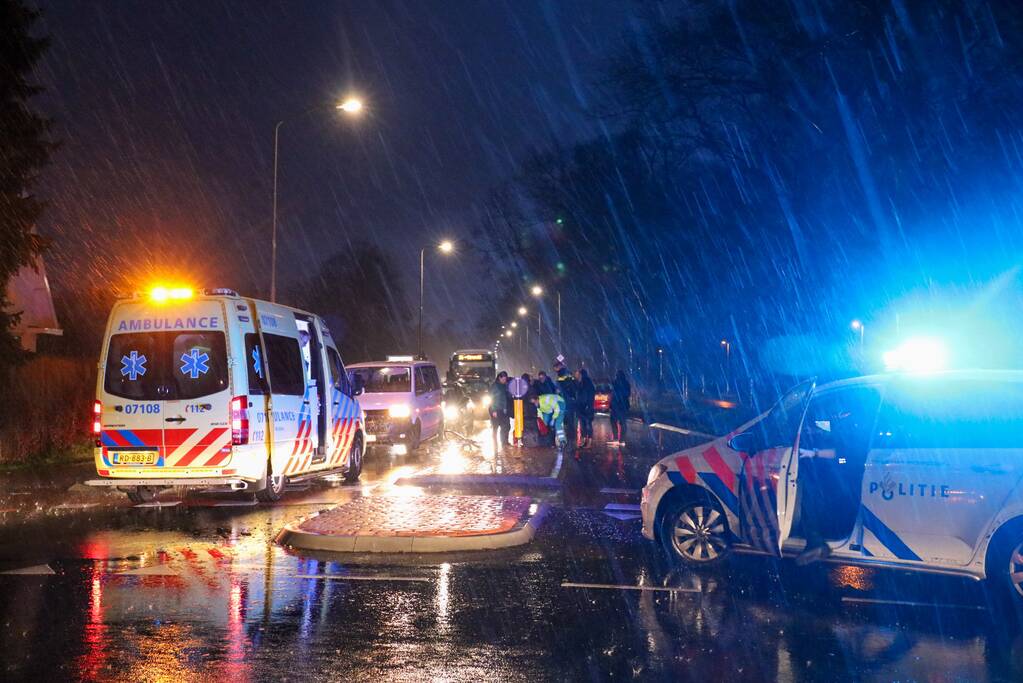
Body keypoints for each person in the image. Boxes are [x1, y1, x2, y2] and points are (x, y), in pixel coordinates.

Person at [554, 360, 579, 448]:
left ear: (559, 367)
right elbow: (573, 387)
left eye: (556, 368)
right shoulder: (568, 374)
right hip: (569, 402)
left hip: (566, 402)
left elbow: (564, 388)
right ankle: (571, 440)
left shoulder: (562, 375)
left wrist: (560, 392)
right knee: (569, 422)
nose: (555, 370)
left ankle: (570, 441)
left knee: (568, 422)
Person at [488, 371, 511, 451]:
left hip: (502, 409)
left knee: (505, 426)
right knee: (495, 427)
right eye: (503, 379)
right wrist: (494, 410)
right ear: (499, 378)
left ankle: (504, 442)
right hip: (495, 409)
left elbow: (504, 397)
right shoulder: (495, 386)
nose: (505, 380)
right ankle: (495, 443)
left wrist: (505, 408)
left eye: (505, 379)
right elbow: (492, 398)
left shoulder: (504, 385)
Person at [576, 368, 596, 448]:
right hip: (582, 407)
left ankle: (589, 442)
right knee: (583, 425)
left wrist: (588, 405)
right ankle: (585, 441)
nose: (577, 375)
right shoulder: (581, 383)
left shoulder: (587, 383)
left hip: (587, 407)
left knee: (587, 424)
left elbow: (590, 395)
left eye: (578, 374)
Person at [610, 370, 631, 443]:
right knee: (623, 423)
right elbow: (628, 394)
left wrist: (612, 405)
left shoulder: (616, 383)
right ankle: (622, 439)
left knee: (613, 421)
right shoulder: (626, 383)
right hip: (623, 405)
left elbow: (613, 395)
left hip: (616, 405)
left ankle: (616, 438)